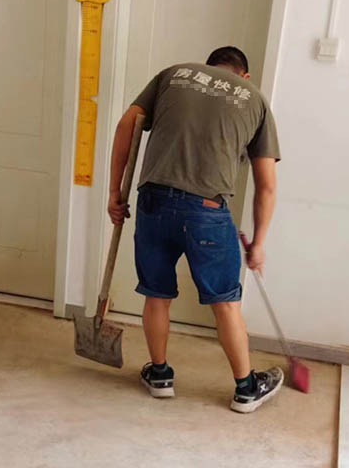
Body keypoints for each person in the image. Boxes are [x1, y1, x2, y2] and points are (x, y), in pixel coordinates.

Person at [107, 46, 283, 414]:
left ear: (208, 67)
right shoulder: (254, 99)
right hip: (207, 210)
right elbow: (266, 186)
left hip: (153, 201)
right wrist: (259, 243)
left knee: (157, 294)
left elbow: (126, 125)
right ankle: (246, 389)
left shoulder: (175, 74)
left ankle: (159, 376)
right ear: (244, 76)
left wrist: (114, 193)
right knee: (225, 302)